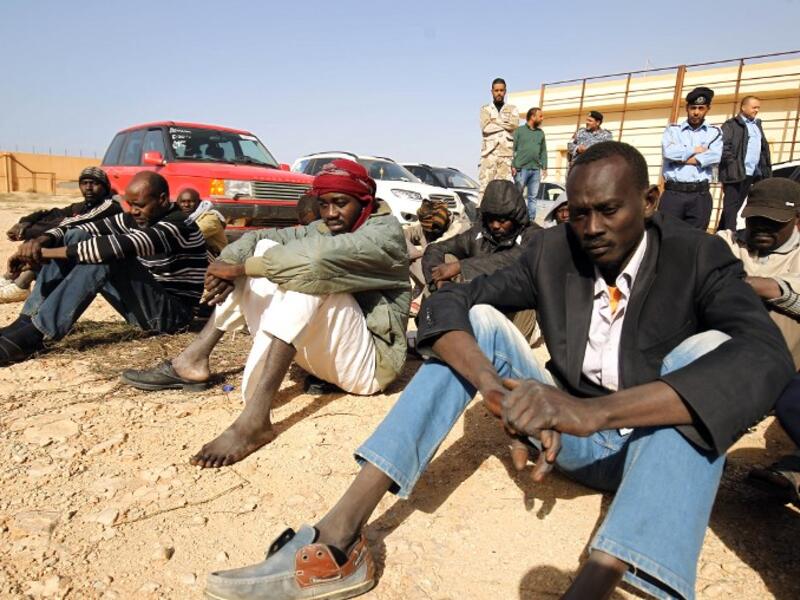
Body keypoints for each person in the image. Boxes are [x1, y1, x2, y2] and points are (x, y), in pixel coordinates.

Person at [202, 142, 793, 600]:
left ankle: (598, 583)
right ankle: (338, 538)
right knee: (478, 319)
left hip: (651, 447)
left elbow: (764, 356)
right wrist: (492, 391)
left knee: (705, 349)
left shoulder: (697, 255)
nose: (591, 229)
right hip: (571, 444)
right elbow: (446, 301)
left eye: (609, 210)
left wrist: (592, 412)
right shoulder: (555, 249)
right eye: (579, 213)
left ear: (651, 199)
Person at [121, 159, 410, 469]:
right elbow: (259, 238)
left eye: (340, 203)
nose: (330, 214)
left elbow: (315, 262)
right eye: (324, 204)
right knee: (264, 249)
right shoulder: (327, 226)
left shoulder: (384, 234)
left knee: (310, 278)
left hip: (369, 369)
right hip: (324, 361)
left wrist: (238, 269)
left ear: (364, 201)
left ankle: (255, 420)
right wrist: (224, 266)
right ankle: (192, 361)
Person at [0, 172, 208, 364]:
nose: (134, 211)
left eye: (140, 205)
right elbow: (81, 226)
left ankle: (37, 333)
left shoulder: (180, 225)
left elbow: (117, 247)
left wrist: (44, 254)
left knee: (108, 256)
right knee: (76, 236)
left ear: (162, 199)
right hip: (145, 307)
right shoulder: (136, 217)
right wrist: (42, 240)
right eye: (130, 205)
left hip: (173, 316)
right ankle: (26, 321)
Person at [716, 177, 800, 506]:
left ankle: (792, 470)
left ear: (797, 221)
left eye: (773, 221)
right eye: (755, 219)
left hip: (785, 369)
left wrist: (766, 287)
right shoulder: (727, 241)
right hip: (724, 359)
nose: (761, 227)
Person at [0, 166, 121, 303]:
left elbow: (76, 222)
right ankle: (11, 277)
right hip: (80, 258)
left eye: (95, 183)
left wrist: (38, 237)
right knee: (51, 229)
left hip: (105, 263)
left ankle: (22, 283)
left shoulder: (110, 206)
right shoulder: (82, 206)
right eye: (84, 183)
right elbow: (51, 213)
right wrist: (24, 223)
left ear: (105, 187)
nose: (88, 187)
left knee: (66, 234)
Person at [659, 87, 723, 231]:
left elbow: (715, 157)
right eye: (693, 107)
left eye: (701, 108)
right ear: (686, 108)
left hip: (700, 195)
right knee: (665, 236)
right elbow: (668, 153)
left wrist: (680, 158)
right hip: (673, 193)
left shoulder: (715, 132)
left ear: (708, 109)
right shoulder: (673, 130)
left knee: (696, 240)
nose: (696, 112)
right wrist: (695, 150)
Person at [404, 199, 470, 313]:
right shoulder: (427, 222)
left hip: (455, 278)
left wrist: (412, 255)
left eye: (432, 230)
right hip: (431, 272)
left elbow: (436, 247)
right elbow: (405, 231)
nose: (429, 233)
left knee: (433, 258)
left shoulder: (460, 227)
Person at [718, 96, 772, 231]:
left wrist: (764, 169)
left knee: (735, 206)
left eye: (758, 107)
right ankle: (731, 234)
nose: (757, 110)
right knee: (731, 205)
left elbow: (763, 150)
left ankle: (721, 232)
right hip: (735, 172)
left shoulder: (757, 126)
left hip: (750, 173)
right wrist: (732, 165)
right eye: (754, 107)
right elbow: (723, 147)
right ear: (743, 107)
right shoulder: (731, 125)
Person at [479, 78, 518, 199]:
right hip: (489, 154)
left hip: (506, 154)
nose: (499, 93)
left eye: (501, 90)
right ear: (492, 92)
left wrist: (494, 121)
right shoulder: (485, 109)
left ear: (505, 91)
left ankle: (501, 215)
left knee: (504, 187)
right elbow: (485, 128)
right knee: (485, 185)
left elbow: (514, 125)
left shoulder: (512, 109)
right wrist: (505, 124)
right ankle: (481, 214)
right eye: (496, 90)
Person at [512, 107, 547, 220]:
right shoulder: (519, 131)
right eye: (540, 116)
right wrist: (512, 165)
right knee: (517, 196)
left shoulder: (540, 133)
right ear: (532, 117)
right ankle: (516, 219)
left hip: (536, 169)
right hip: (521, 169)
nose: (542, 118)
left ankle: (531, 221)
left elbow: (543, 151)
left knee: (533, 197)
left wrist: (544, 167)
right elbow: (511, 149)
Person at [175, 188, 228, 255]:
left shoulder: (210, 218)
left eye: (191, 201)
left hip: (218, 259)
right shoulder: (185, 217)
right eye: (183, 202)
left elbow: (191, 235)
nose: (186, 205)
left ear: (199, 202)